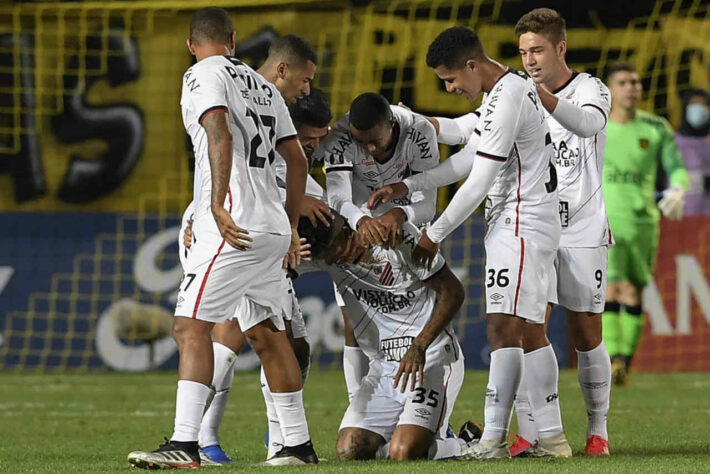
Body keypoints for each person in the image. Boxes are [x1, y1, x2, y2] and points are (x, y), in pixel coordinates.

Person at [127, 8, 314, 469]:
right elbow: (298, 162)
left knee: (190, 327)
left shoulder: (201, 73)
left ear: (192, 45)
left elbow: (218, 131)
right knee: (270, 335)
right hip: (270, 226)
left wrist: (215, 204)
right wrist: (289, 227)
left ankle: (185, 444)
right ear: (233, 38)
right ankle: (297, 446)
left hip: (234, 226)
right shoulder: (265, 86)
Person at [408, 26, 559, 460]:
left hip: (520, 221)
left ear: (472, 65)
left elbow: (478, 181)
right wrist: (409, 186)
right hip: (527, 222)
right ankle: (551, 436)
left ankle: (492, 438)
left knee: (501, 328)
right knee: (529, 331)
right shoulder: (506, 90)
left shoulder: (508, 94)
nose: (451, 88)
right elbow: (466, 153)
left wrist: (433, 234)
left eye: (451, 79)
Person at [509, 8, 612, 457]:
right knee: (529, 327)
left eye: (537, 50)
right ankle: (532, 431)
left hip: (583, 229)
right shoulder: (519, 93)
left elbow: (588, 124)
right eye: (523, 52)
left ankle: (598, 429)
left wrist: (541, 97)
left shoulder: (591, 88)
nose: (530, 60)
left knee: (585, 334)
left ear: (560, 47)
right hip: (536, 226)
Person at [296, 211, 468, 461]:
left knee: (404, 452)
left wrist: (420, 345)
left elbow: (453, 292)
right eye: (326, 256)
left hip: (431, 360)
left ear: (346, 231)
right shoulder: (328, 254)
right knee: (350, 450)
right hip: (385, 368)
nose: (334, 260)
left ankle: (466, 443)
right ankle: (418, 435)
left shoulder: (396, 240)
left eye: (335, 250)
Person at [313, 92, 440, 408]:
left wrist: (401, 214)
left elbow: (428, 204)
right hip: (358, 234)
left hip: (407, 229)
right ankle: (359, 407)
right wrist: (359, 222)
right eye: (362, 142)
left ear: (392, 124)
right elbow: (337, 196)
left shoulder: (420, 132)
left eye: (375, 142)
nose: (369, 149)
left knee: (421, 319)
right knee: (354, 326)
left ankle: (424, 409)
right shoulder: (341, 136)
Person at [601, 61, 690, 385]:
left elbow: (676, 167)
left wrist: (678, 188)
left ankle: (625, 359)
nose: (632, 87)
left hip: (643, 222)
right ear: (610, 89)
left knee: (634, 291)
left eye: (636, 81)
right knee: (611, 288)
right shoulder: (596, 126)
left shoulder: (656, 128)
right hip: (604, 220)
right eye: (624, 81)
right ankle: (614, 361)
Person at [675, 89, 709, 215]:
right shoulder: (672, 142)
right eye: (694, 104)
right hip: (680, 216)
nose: (699, 109)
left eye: (704, 105)